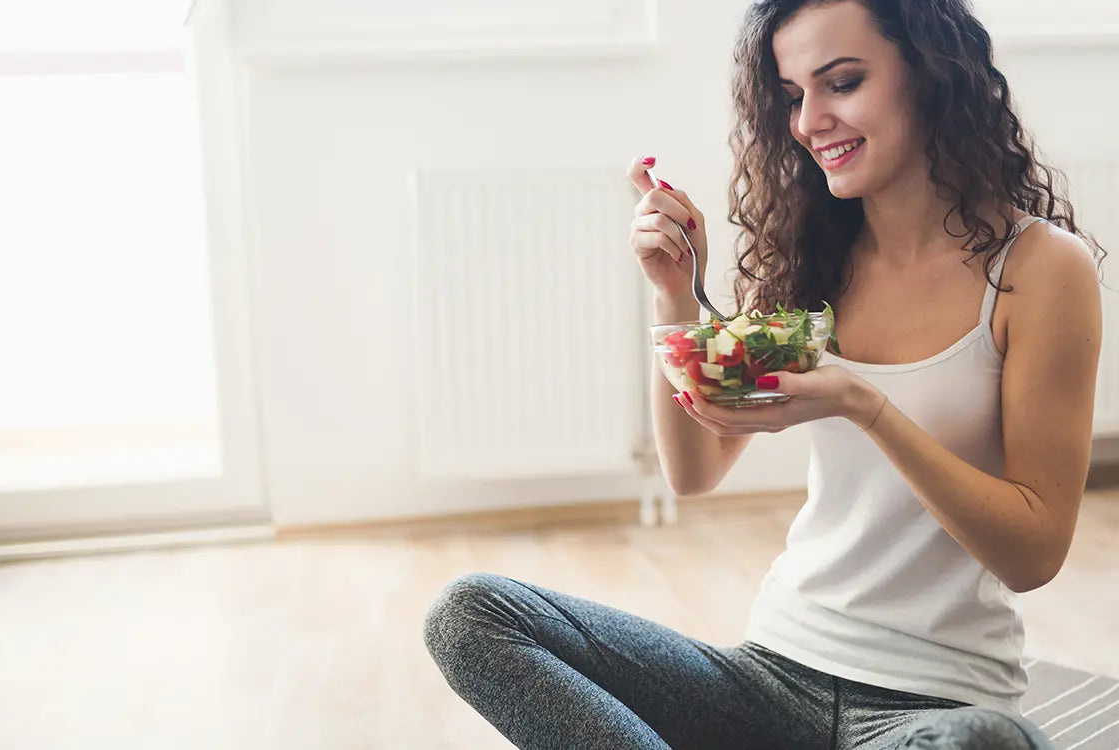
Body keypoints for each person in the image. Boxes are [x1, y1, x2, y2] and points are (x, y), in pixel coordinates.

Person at [422, 1, 1108, 747]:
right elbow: (694, 468)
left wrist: (864, 404)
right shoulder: (813, 254)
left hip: (930, 707)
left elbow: (1033, 554)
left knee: (989, 744)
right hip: (771, 675)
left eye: (841, 82)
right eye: (790, 96)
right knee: (471, 614)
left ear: (933, 74)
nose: (810, 121)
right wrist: (675, 295)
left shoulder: (1040, 271)